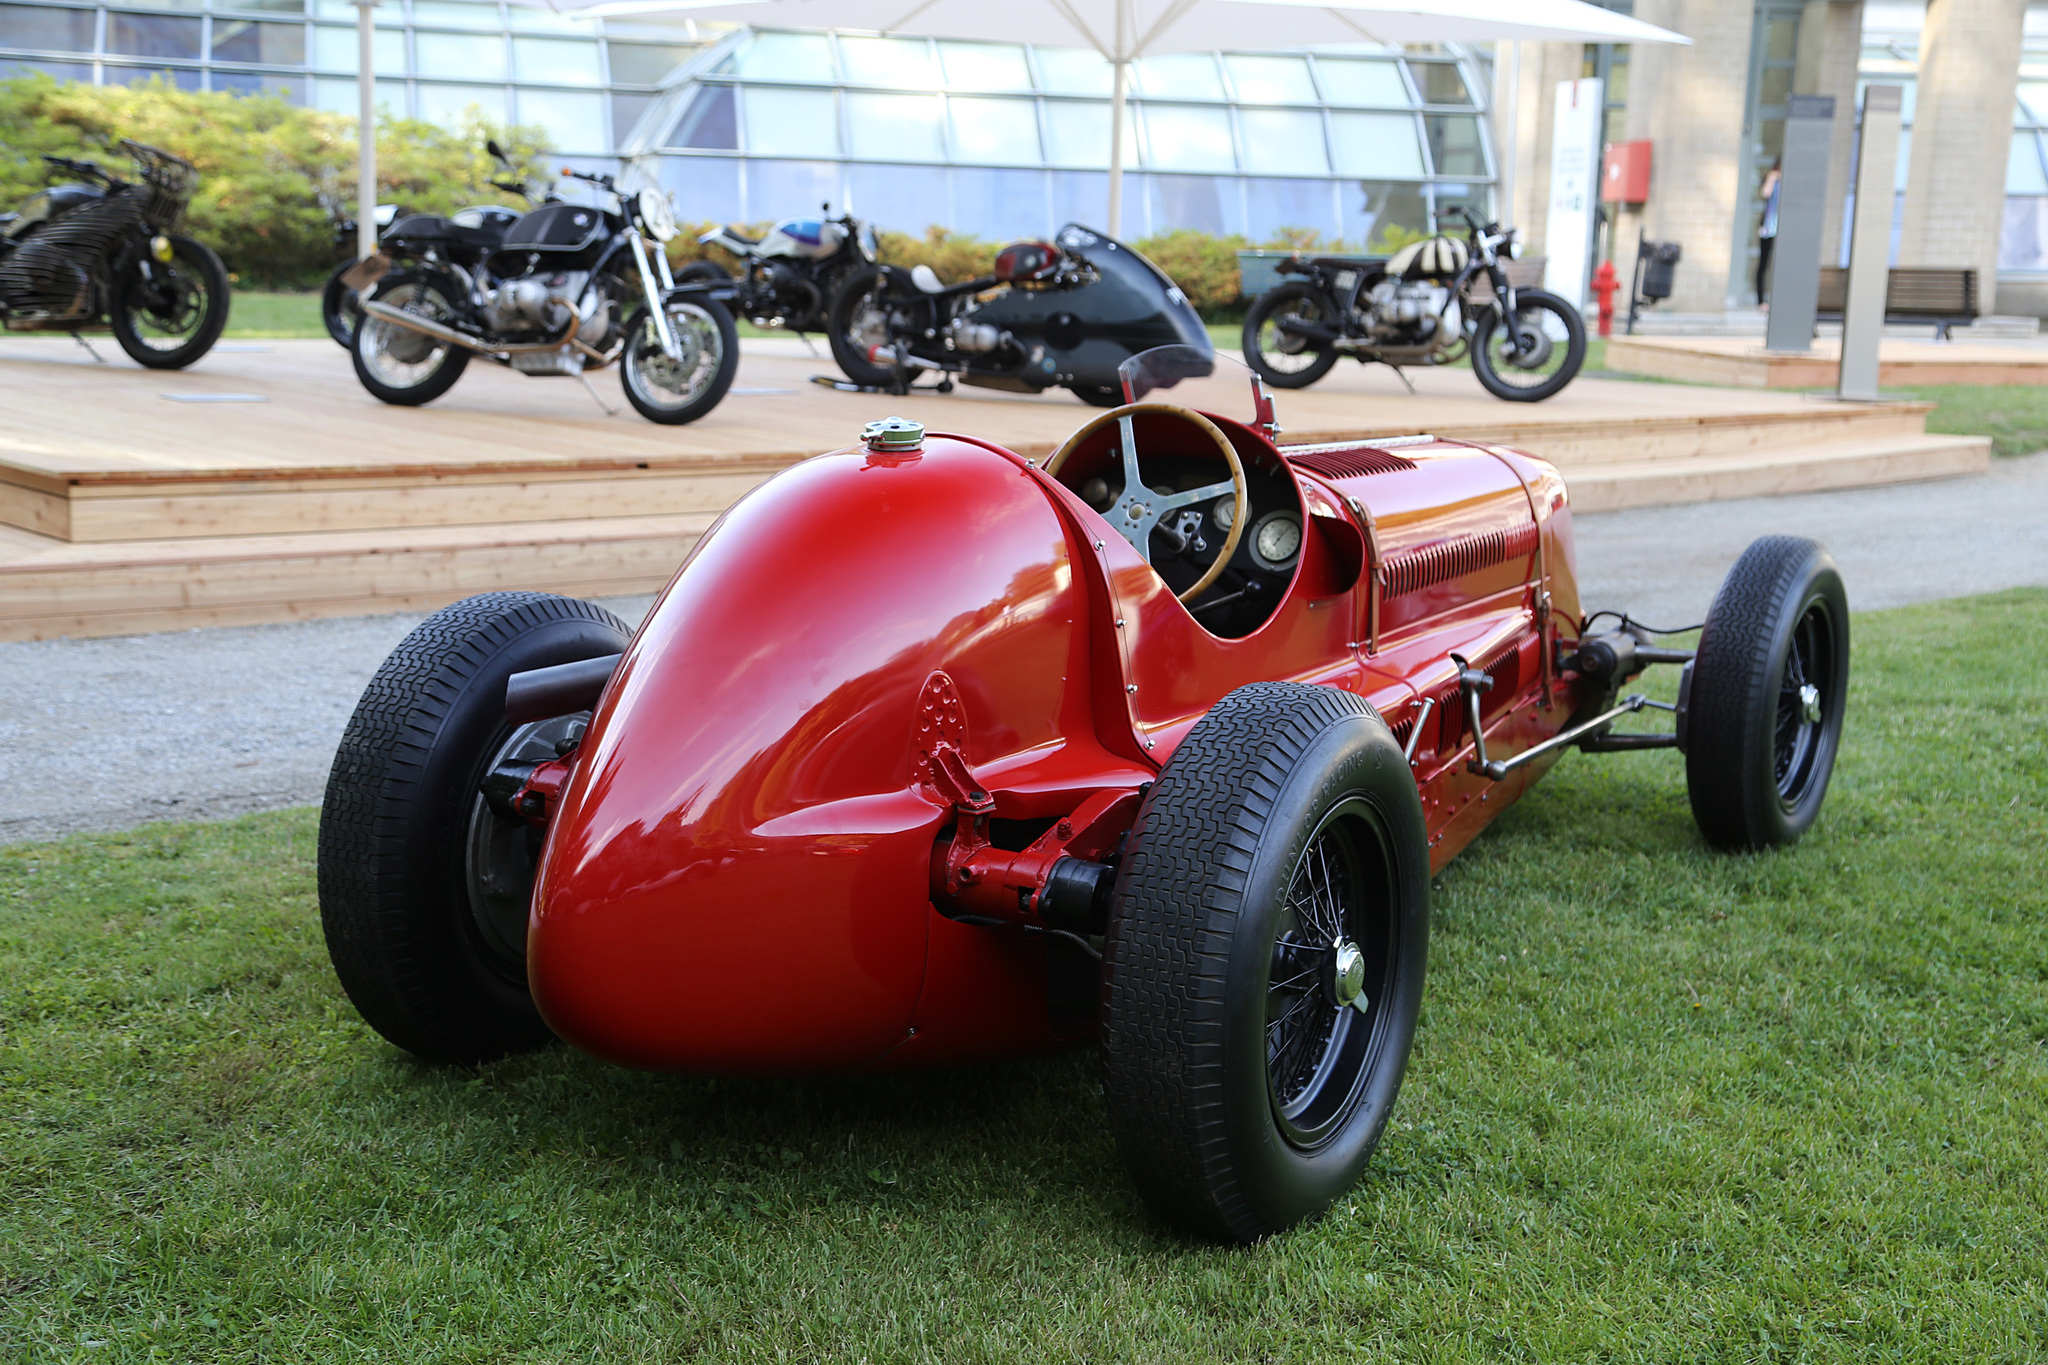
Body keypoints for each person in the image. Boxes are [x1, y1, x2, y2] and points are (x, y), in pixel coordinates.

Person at [1756, 157, 1782, 308]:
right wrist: (1772, 178)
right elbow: (1765, 193)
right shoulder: (1771, 178)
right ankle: (1762, 300)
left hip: (1783, 229)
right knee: (1763, 264)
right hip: (1769, 227)